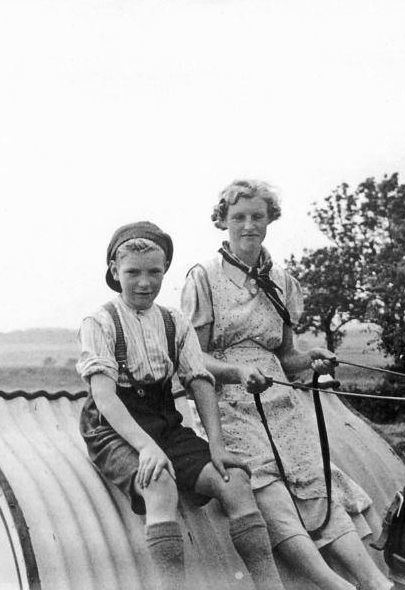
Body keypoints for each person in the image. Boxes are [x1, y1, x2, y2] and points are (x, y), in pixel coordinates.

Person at [181, 181, 394, 590]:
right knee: (264, 478)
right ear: (222, 221)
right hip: (226, 399)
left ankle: (374, 582)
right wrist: (236, 373)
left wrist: (312, 356)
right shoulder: (204, 278)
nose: (248, 226)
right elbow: (196, 358)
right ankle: (334, 585)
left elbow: (286, 356)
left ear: (269, 220)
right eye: (238, 217)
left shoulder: (281, 279)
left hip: (276, 394)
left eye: (257, 217)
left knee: (312, 474)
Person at [77, 221, 284, 590]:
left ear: (165, 270)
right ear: (114, 271)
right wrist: (146, 448)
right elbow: (105, 398)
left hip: (165, 424)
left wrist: (217, 447)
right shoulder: (101, 322)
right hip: (115, 428)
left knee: (234, 480)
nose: (145, 282)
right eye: (133, 273)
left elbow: (200, 382)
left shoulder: (174, 321)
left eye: (155, 272)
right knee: (159, 484)